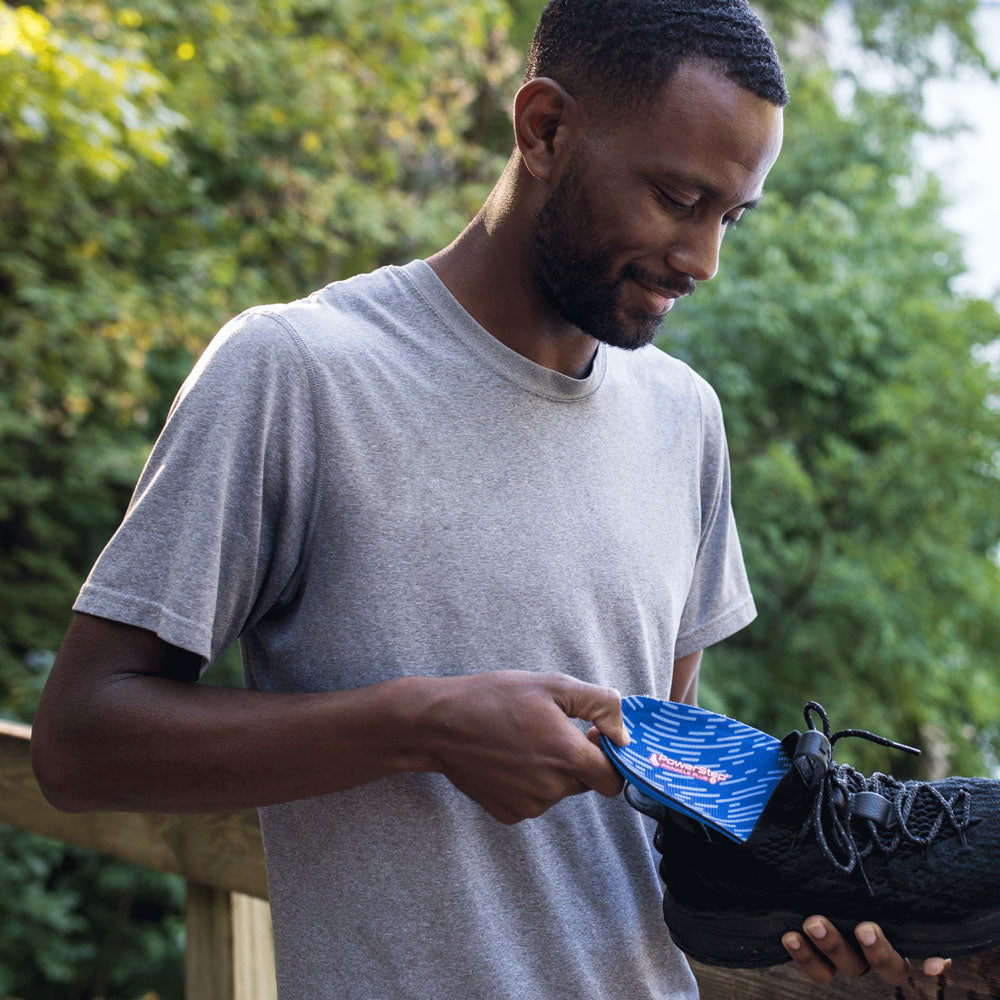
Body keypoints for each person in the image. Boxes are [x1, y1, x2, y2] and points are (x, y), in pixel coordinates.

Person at [31, 0, 949, 995]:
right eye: (676, 196)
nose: (702, 260)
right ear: (544, 129)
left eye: (730, 215)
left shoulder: (685, 418)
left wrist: (819, 909)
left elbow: (658, 785)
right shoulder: (297, 370)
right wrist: (419, 727)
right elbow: (81, 746)